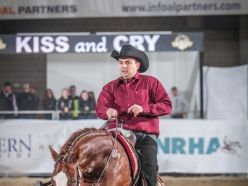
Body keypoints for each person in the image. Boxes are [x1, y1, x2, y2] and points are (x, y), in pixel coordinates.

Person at [96, 44, 171, 186]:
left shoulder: (151, 83)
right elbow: (100, 107)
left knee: (149, 168)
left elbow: (167, 106)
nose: (123, 66)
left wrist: (144, 109)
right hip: (116, 135)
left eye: (128, 62)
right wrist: (108, 111)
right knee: (97, 165)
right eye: (120, 63)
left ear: (137, 65)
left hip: (144, 135)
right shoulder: (110, 87)